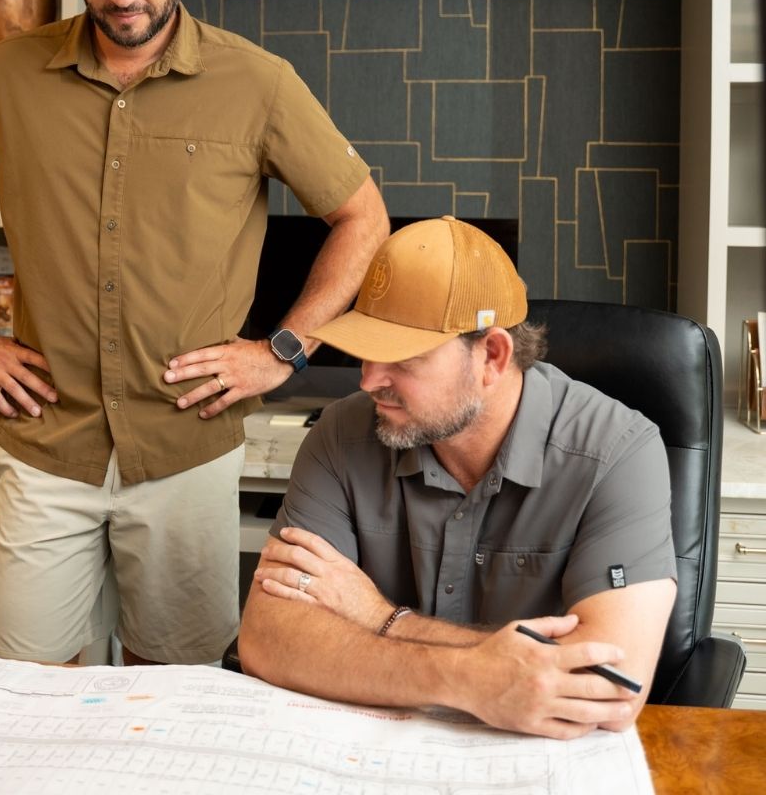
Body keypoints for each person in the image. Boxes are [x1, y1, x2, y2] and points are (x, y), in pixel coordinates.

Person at [0, 0, 389, 667]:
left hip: (185, 448)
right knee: (30, 687)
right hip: (46, 441)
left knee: (177, 688)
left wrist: (284, 350)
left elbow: (360, 213)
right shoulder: (5, 74)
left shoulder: (258, 83)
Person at [238, 216, 677, 739]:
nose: (369, 380)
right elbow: (269, 638)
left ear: (492, 356)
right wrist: (467, 677)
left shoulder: (618, 452)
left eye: (401, 358)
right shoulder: (340, 434)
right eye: (365, 350)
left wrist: (382, 620)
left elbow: (607, 686)